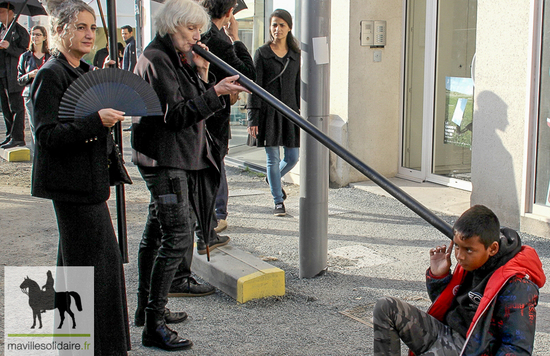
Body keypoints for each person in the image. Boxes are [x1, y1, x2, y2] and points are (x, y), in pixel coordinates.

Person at [132, 0, 249, 351]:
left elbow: (192, 105)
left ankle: (147, 309)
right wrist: (215, 92)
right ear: (172, 26)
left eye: (199, 30)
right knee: (178, 235)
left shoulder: (176, 57)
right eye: (191, 30)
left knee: (156, 232)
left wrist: (201, 74)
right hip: (164, 157)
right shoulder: (157, 58)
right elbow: (175, 115)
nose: (198, 37)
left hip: (176, 156)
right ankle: (153, 323)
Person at [30, 0, 131, 354]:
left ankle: (74, 344)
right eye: (81, 27)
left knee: (80, 268)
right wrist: (95, 122)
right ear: (60, 31)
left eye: (92, 28)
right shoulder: (50, 74)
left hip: (89, 185)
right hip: (72, 188)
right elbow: (46, 136)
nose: (89, 34)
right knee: (95, 271)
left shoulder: (81, 71)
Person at [373, 205, 546, 356]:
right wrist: (439, 277)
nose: (460, 256)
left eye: (468, 250)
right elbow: (445, 305)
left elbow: (517, 347)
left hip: (471, 349)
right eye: (456, 246)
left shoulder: (517, 285)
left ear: (492, 248)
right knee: (386, 307)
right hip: (445, 332)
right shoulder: (473, 261)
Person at [187, 0, 255, 254]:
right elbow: (249, 74)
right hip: (211, 117)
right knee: (209, 174)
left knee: (206, 174)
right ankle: (204, 234)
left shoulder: (198, 37)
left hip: (200, 114)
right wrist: (236, 38)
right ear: (228, 14)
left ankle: (206, 231)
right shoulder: (217, 40)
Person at [247, 8, 300, 216]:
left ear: (289, 28)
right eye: (274, 25)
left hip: (289, 112)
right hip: (267, 113)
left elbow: (298, 86)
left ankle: (273, 178)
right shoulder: (262, 53)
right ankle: (278, 200)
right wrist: (253, 117)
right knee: (272, 158)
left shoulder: (296, 55)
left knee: (293, 157)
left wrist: (300, 111)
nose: (277, 29)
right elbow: (254, 86)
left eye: (281, 25)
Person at [0, 2, 29, 149]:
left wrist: (9, 47)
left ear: (11, 12)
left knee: (16, 106)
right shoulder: (1, 29)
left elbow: (24, 54)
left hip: (13, 73)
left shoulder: (20, 31)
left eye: (2, 12)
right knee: (5, 106)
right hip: (1, 73)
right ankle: (10, 134)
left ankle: (18, 137)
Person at [17, 25, 50, 153]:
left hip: (46, 93)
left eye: (38, 34)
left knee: (46, 125)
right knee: (34, 126)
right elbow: (19, 80)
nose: (35, 37)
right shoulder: (25, 57)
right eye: (33, 34)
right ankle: (37, 155)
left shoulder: (50, 56)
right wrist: (29, 75)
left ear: (44, 37)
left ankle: (45, 153)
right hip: (30, 94)